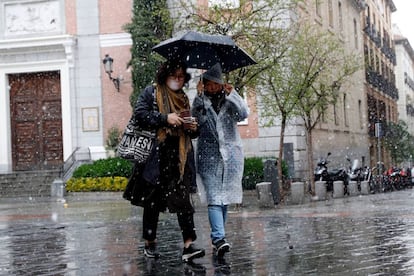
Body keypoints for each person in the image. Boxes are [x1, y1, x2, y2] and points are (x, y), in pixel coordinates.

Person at [123, 59, 205, 263]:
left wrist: (194, 128)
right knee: (152, 203)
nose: (178, 80)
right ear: (164, 76)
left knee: (183, 200)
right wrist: (164, 118)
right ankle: (149, 242)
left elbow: (192, 130)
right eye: (173, 76)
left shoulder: (183, 98)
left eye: (181, 76)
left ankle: (188, 245)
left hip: (180, 157)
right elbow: (140, 114)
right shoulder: (152, 92)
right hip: (156, 158)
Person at [191, 63, 249, 259]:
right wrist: (198, 98)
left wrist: (234, 95)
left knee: (223, 199)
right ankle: (218, 238)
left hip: (230, 156)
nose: (212, 87)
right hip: (208, 157)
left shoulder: (229, 101)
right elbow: (195, 122)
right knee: (215, 197)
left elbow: (243, 114)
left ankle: (219, 240)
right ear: (204, 84)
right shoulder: (200, 101)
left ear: (221, 84)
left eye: (215, 83)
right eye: (208, 84)